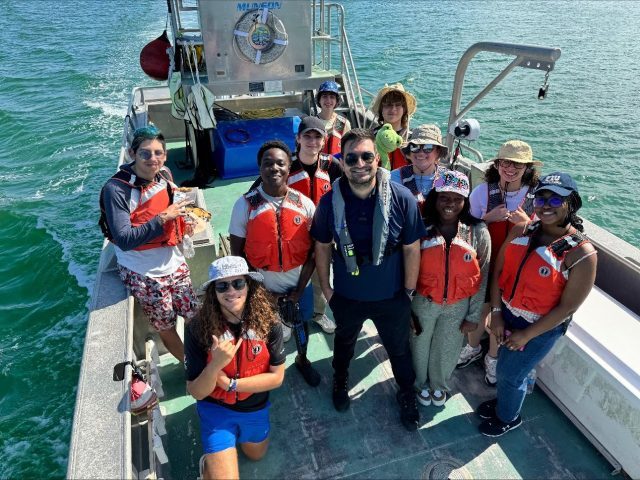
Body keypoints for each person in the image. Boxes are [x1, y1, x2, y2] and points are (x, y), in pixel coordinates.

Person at [311, 128, 427, 431]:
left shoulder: (402, 199)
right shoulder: (328, 203)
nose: (359, 163)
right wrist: (326, 289)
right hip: (348, 296)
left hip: (391, 296)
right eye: (351, 158)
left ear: (378, 159)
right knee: (344, 345)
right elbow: (322, 247)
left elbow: (412, 248)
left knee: (398, 350)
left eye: (366, 156)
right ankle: (340, 381)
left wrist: (408, 292)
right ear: (342, 161)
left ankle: (406, 393)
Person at [477, 172, 597, 437]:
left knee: (510, 374)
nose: (546, 205)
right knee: (505, 367)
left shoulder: (581, 254)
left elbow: (567, 308)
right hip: (507, 312)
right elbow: (499, 271)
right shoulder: (523, 229)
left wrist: (527, 335)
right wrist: (496, 313)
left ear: (571, 204)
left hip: (540, 327)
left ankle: (508, 417)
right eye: (541, 198)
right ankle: (504, 403)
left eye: (556, 201)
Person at [99, 125, 198, 362]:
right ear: (133, 154)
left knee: (194, 313)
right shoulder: (116, 190)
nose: (152, 159)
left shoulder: (164, 174)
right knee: (166, 324)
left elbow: (174, 208)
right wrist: (163, 218)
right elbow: (123, 239)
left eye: (158, 153)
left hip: (175, 262)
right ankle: (191, 365)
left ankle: (205, 357)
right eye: (145, 153)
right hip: (145, 274)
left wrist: (185, 224)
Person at [229, 140, 322, 386]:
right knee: (263, 330)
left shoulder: (305, 205)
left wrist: (299, 290)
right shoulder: (245, 205)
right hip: (261, 286)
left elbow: (314, 253)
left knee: (302, 326)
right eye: (267, 163)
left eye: (280, 163)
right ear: (259, 168)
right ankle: (266, 366)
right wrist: (260, 291)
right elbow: (237, 256)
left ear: (289, 167)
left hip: (299, 285)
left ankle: (302, 360)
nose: (274, 168)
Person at [184, 256, 285, 479]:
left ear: (249, 286)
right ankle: (208, 465)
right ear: (213, 292)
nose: (231, 291)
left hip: (254, 406)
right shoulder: (197, 329)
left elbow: (277, 378)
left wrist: (230, 384)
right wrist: (215, 366)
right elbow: (196, 391)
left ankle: (226, 449)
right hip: (216, 408)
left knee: (256, 455)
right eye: (222, 286)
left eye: (238, 283)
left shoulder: (270, 323)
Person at [457, 140, 541, 386]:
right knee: (479, 308)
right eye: (505, 162)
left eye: (517, 164)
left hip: (518, 269)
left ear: (527, 167)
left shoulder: (537, 197)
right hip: (486, 262)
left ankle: (493, 357)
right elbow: (464, 228)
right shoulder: (483, 192)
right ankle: (473, 347)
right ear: (497, 165)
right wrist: (486, 218)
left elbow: (548, 235)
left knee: (501, 313)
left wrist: (528, 224)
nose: (510, 168)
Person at [410, 170, 491, 408]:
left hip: (459, 306)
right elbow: (405, 270)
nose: (450, 204)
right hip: (423, 302)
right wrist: (405, 307)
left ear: (465, 201)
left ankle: (439, 385)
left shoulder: (478, 232)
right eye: (444, 197)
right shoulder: (419, 228)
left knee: (448, 349)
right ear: (434, 198)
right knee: (419, 344)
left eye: (457, 198)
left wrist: (474, 315)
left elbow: (482, 275)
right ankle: (419, 384)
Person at [287, 116, 342, 334]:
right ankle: (287, 316)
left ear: (324, 139)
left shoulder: (332, 166)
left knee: (321, 277)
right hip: (293, 236)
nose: (312, 141)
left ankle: (319, 314)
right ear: (298, 138)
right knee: (292, 278)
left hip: (323, 236)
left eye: (317, 136)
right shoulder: (286, 165)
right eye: (307, 136)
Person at [390, 124, 449, 213]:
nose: (421, 153)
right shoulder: (392, 178)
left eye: (428, 147)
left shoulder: (447, 179)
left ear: (438, 152)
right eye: (415, 147)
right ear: (409, 152)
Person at [371, 83, 417, 170]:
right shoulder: (371, 135)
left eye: (398, 105)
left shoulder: (412, 138)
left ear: (404, 110)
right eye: (388, 105)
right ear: (381, 109)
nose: (393, 109)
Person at [315, 80, 351, 157]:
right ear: (319, 100)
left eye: (332, 97)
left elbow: (348, 147)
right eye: (324, 96)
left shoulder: (342, 123)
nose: (328, 100)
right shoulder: (313, 122)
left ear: (336, 101)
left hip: (337, 166)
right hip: (318, 165)